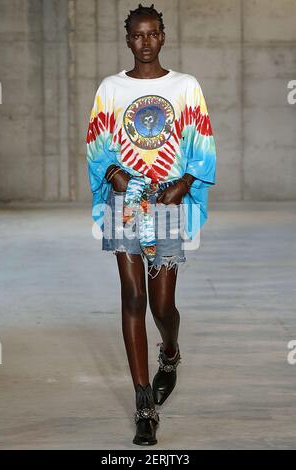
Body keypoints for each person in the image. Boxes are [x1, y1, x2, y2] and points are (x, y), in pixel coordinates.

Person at [86, 3, 217, 446]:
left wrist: (181, 185)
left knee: (162, 307)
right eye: (137, 35)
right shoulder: (111, 88)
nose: (145, 42)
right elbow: (97, 142)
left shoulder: (185, 86)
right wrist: (116, 175)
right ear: (127, 40)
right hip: (124, 202)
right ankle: (144, 404)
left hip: (165, 201)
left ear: (164, 36)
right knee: (133, 297)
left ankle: (171, 351)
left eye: (153, 34)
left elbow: (201, 141)